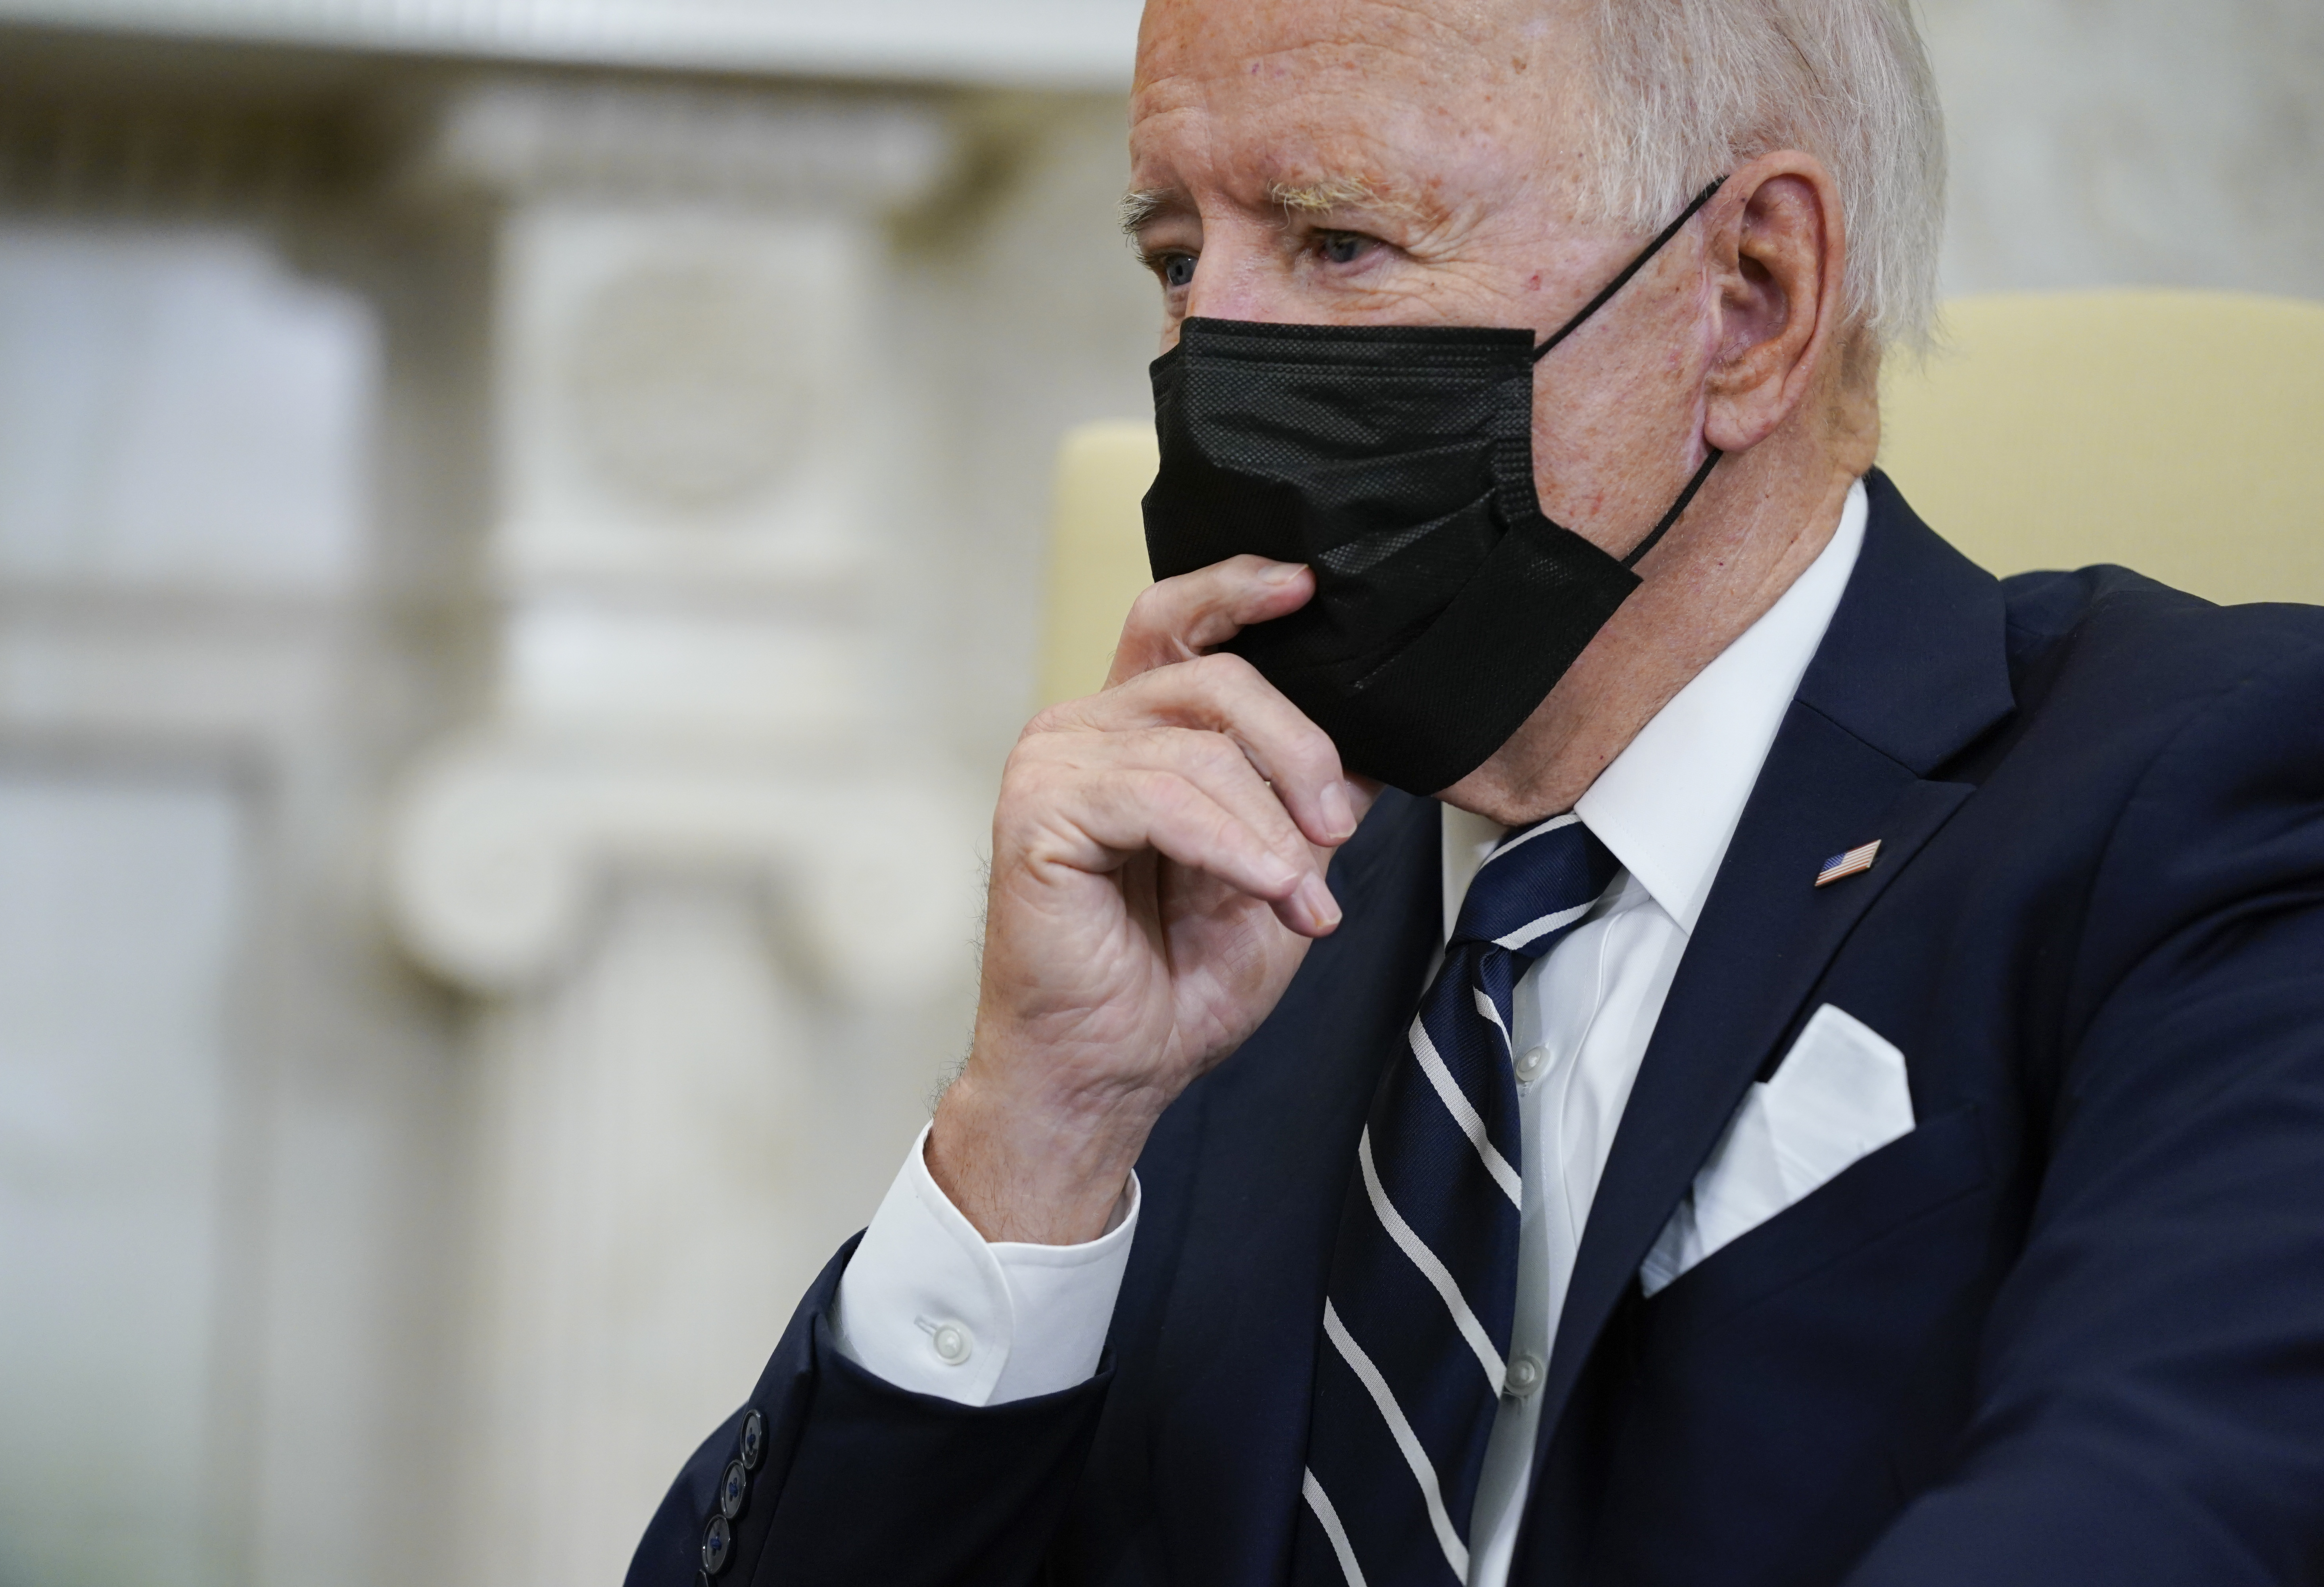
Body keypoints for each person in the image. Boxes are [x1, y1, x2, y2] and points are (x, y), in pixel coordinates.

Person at [628, 0, 2324, 1582]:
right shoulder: (1225, 925)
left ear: (1751, 298)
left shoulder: (2214, 788)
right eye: (1173, 256)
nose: (1213, 346)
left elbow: (2169, 1503)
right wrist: (1042, 1126)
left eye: (1338, 241)